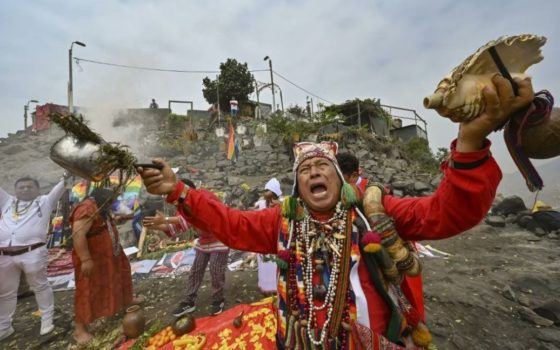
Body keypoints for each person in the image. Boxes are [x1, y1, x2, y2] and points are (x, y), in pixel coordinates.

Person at [138, 75, 534, 348]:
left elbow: (446, 214)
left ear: (341, 178)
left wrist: (470, 140)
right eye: (305, 170)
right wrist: (178, 192)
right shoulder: (283, 220)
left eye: (322, 167)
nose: (313, 172)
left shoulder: (373, 212)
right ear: (298, 186)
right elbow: (230, 224)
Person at [143, 180, 230, 317]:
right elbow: (176, 227)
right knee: (196, 270)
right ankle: (188, 301)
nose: (175, 200)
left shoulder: (204, 197)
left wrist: (164, 219)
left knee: (216, 270)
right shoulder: (184, 205)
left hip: (220, 239)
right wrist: (155, 225)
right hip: (203, 241)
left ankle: (218, 300)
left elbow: (191, 217)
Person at [70, 188, 143, 344]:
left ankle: (126, 300)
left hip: (110, 255)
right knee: (87, 290)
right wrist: (85, 259)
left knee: (121, 276)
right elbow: (78, 234)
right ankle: (80, 329)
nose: (113, 203)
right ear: (102, 199)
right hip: (93, 258)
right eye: (112, 200)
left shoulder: (100, 207)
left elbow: (100, 224)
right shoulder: (86, 209)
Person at [0, 175, 68, 341]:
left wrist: (66, 175)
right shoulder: (7, 202)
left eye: (29, 187)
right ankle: (4, 327)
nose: (25, 189)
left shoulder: (45, 201)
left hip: (33, 253)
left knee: (39, 286)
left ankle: (46, 319)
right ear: (15, 190)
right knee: (6, 293)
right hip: (5, 255)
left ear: (37, 189)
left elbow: (63, 184)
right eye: (21, 187)